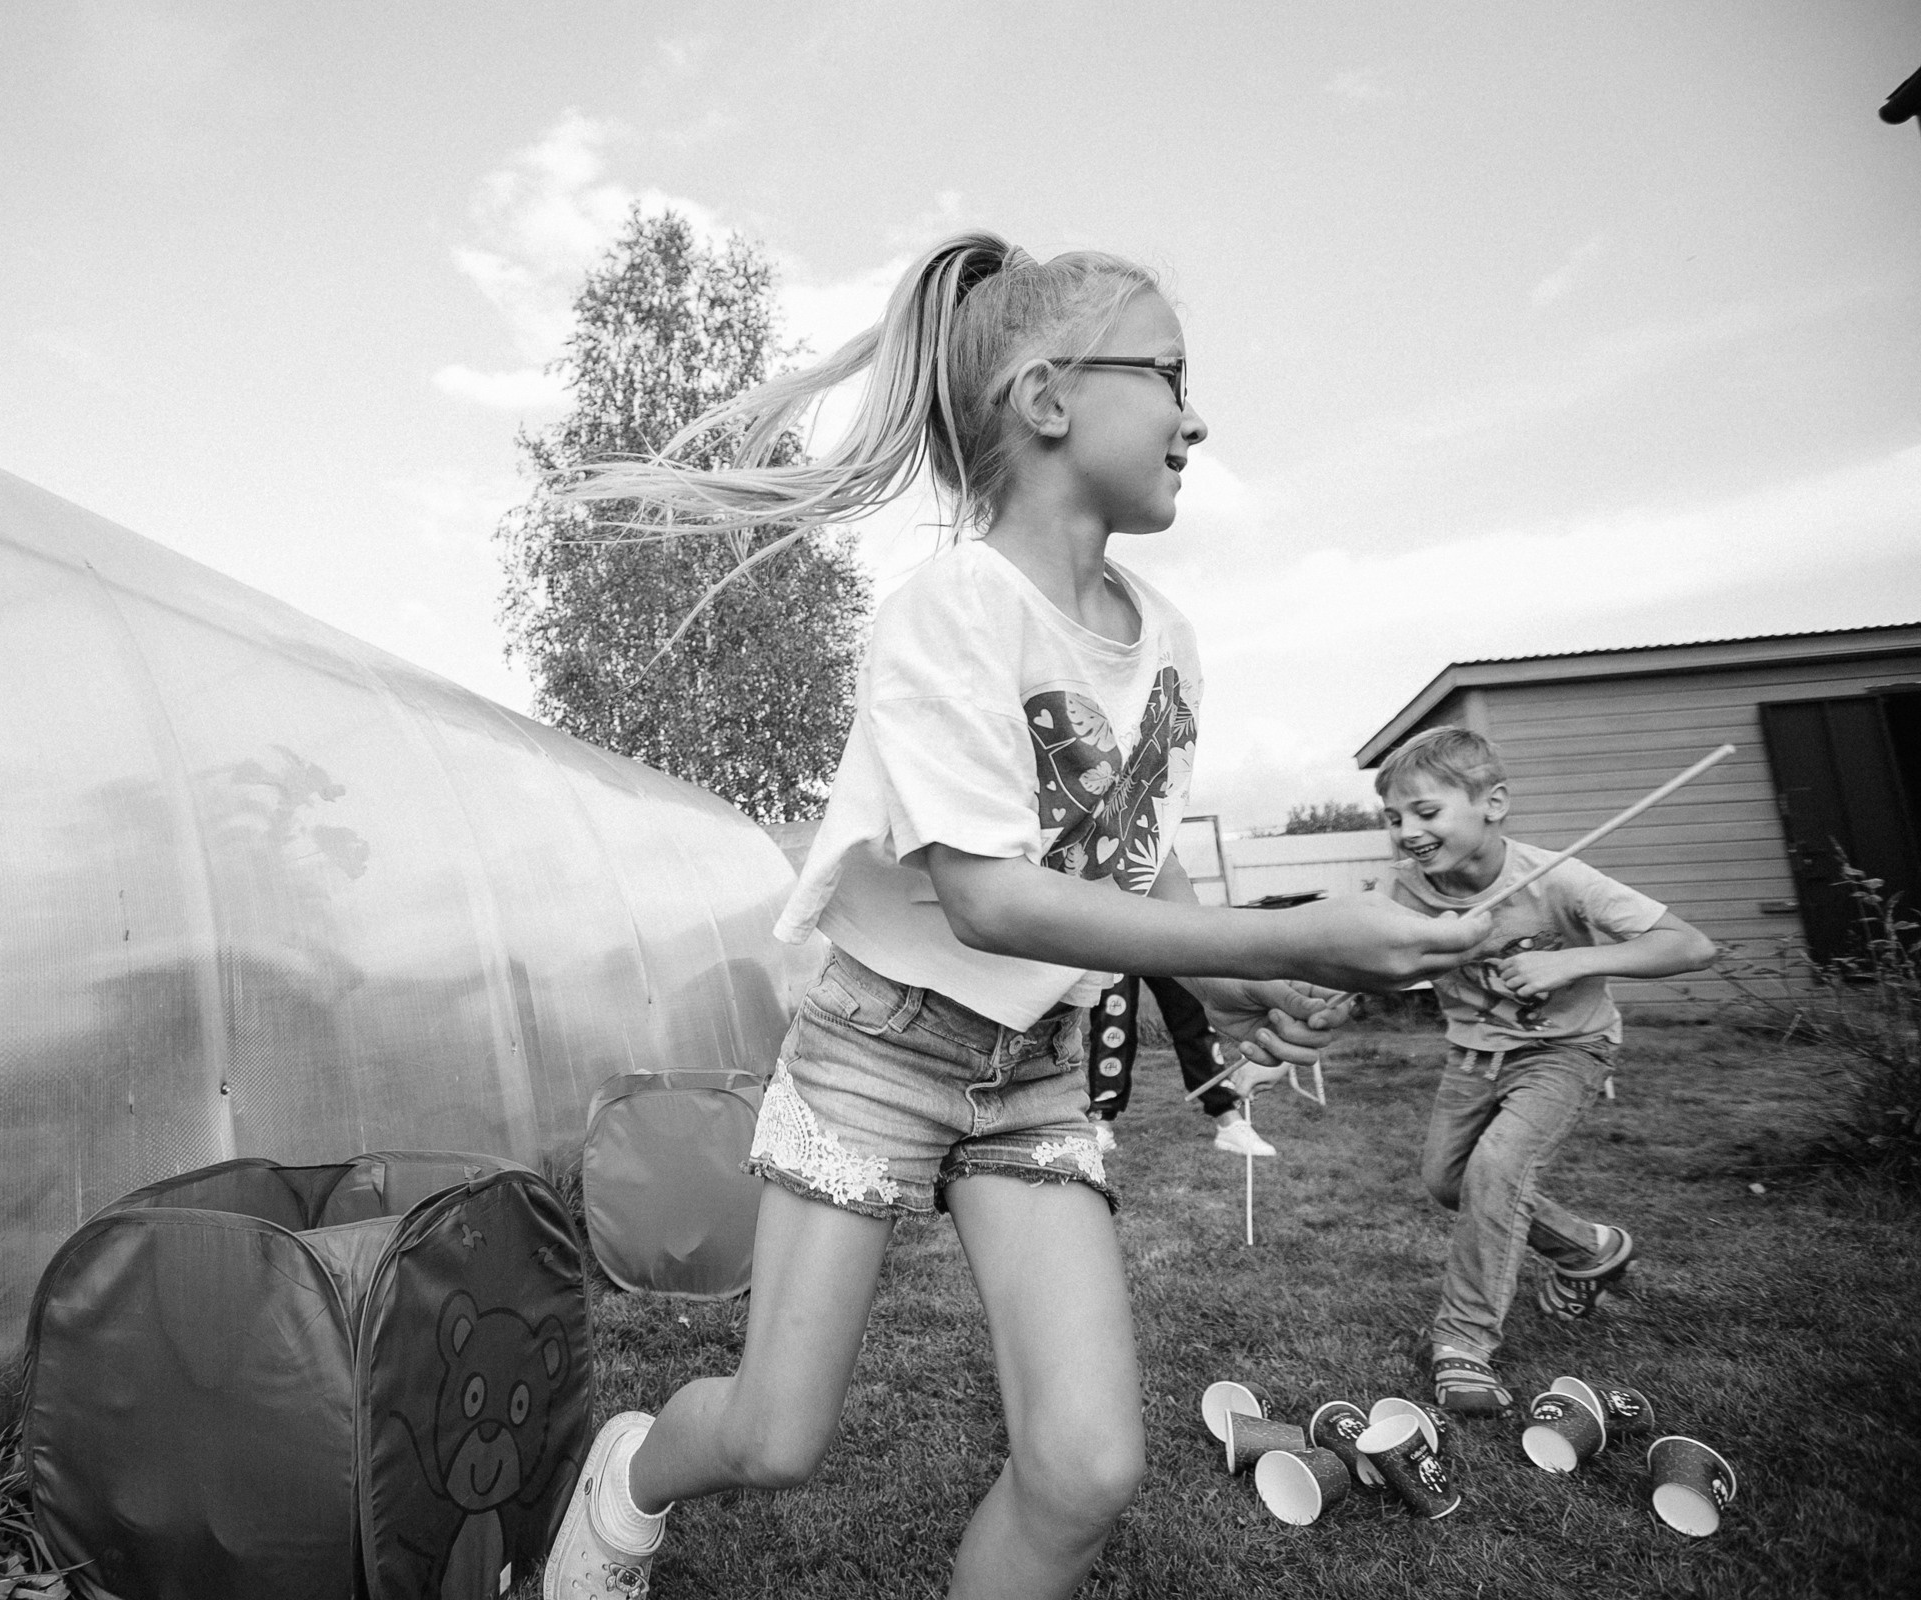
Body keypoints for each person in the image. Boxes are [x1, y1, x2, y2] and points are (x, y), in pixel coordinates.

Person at [542, 231, 1492, 1600]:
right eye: (1168, 372)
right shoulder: (951, 614)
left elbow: (1126, 847)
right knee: (773, 1437)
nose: (1196, 412)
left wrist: (1231, 987)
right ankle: (630, 1477)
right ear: (1049, 400)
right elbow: (989, 902)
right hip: (880, 1050)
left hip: (1034, 1073)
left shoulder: (1168, 637)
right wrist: (1294, 935)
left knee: (1086, 1468)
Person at [1377, 726, 1717, 1418]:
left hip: (1567, 1050)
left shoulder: (1557, 876)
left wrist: (1571, 961)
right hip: (1472, 1053)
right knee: (1448, 1182)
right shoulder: (1407, 891)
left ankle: (1463, 1344)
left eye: (1426, 811)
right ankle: (1591, 1248)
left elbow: (1689, 944)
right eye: (1393, 817)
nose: (1406, 831)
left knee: (1497, 1171)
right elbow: (1375, 951)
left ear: (1493, 803)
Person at [1085, 973, 1281, 1156]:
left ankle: (1227, 1117)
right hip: (1117, 940)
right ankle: (1101, 1122)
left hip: (1166, 938)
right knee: (1113, 1018)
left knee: (1192, 1011)